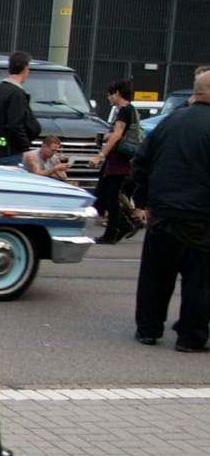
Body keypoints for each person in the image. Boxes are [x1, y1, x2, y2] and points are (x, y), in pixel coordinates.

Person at [129, 68, 210, 352]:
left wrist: (145, 198)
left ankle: (148, 329)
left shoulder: (169, 122)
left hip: (162, 213)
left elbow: (141, 162)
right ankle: (190, 337)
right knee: (199, 283)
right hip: (200, 218)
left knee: (155, 276)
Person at [89, 80, 144, 244]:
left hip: (118, 159)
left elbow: (118, 134)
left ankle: (115, 230)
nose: (108, 98)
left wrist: (100, 155)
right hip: (122, 159)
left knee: (111, 196)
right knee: (107, 193)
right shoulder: (131, 110)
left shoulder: (124, 111)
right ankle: (122, 225)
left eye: (110, 94)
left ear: (117, 93)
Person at [0, 51, 41, 166]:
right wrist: (24, 146)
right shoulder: (17, 94)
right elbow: (15, 124)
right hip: (10, 153)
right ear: (25, 69)